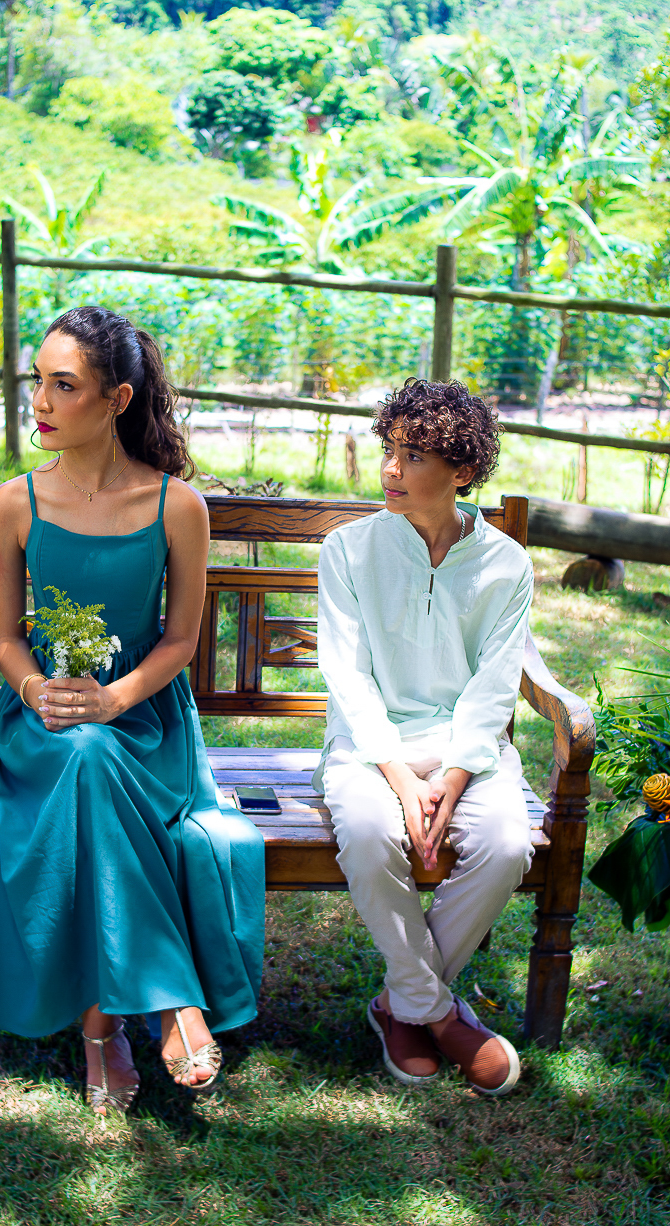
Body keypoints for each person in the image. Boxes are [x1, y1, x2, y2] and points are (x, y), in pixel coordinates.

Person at [0, 306, 265, 1114]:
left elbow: (180, 641)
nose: (40, 402)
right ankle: (166, 1001)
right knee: (81, 753)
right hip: (38, 726)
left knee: (96, 757)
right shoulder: (15, 503)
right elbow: (5, 638)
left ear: (116, 399)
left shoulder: (176, 507)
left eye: (63, 385)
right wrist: (36, 691)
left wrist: (113, 698)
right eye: (37, 382)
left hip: (146, 726)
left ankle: (101, 1028)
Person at [314, 379, 534, 1096]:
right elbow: (346, 675)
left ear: (461, 471)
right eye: (389, 450)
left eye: (412, 457)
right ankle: (434, 1011)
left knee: (506, 845)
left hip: (468, 754)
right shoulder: (347, 551)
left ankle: (400, 1003)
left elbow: (494, 685)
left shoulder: (506, 564)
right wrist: (400, 776)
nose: (390, 469)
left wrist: (456, 775)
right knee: (369, 834)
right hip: (368, 748)